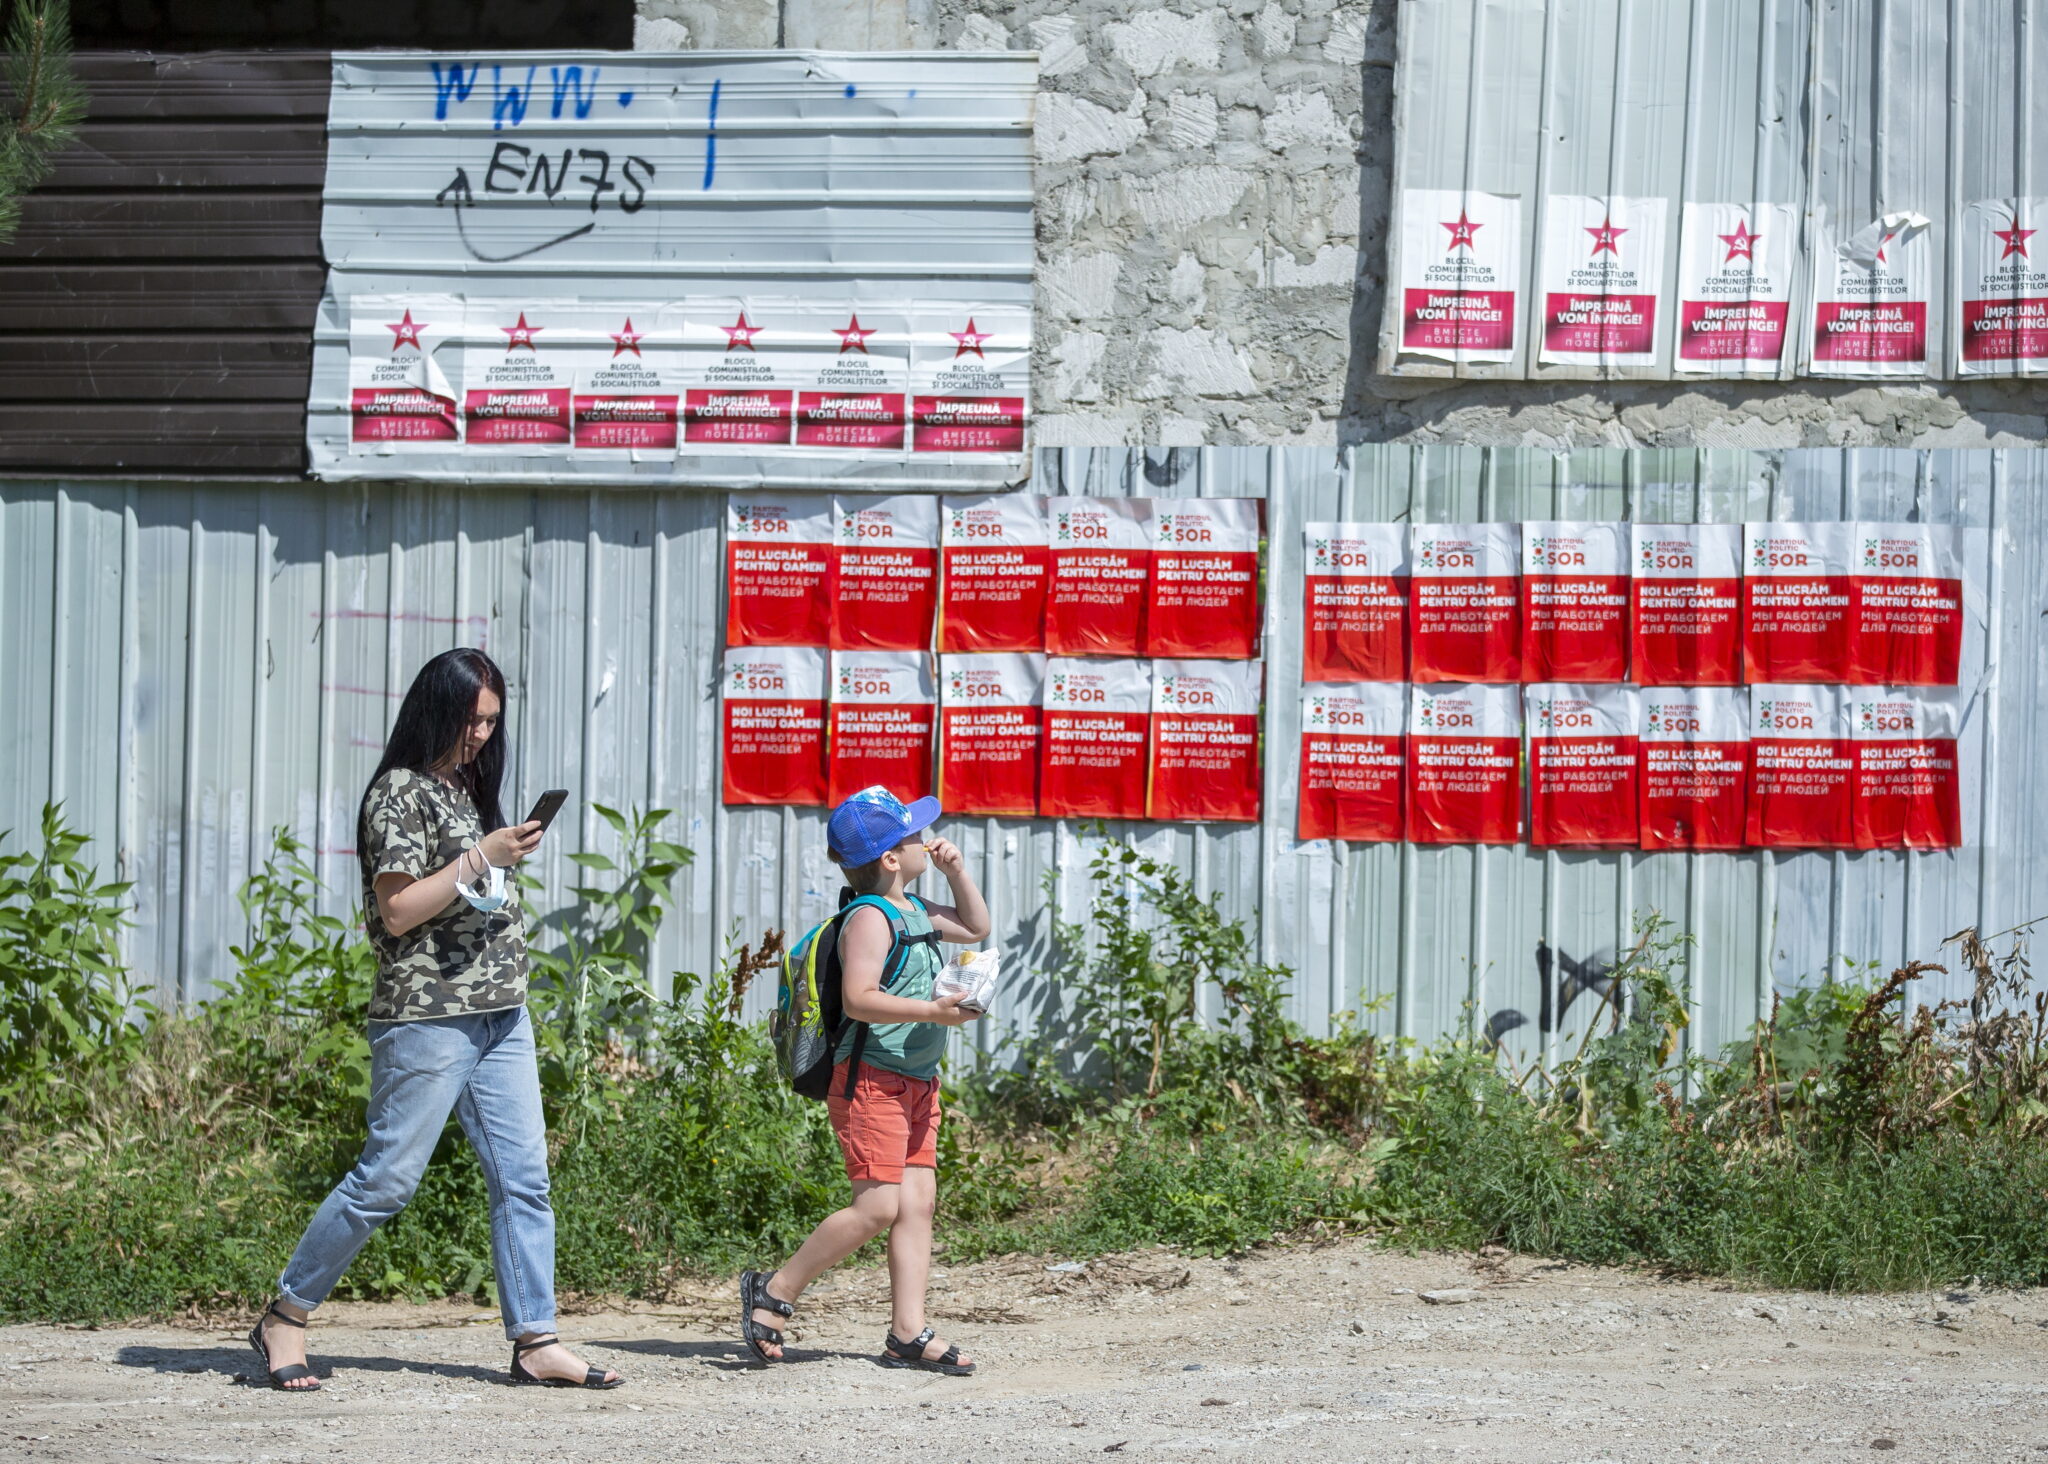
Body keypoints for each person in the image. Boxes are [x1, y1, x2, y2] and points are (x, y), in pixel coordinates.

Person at [247, 647, 620, 1393]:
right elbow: (397, 910)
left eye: (491, 720)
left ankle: (536, 1339)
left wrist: (492, 855)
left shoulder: (463, 788)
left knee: (524, 1180)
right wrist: (480, 858)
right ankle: (285, 1316)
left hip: (500, 1013)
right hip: (428, 1016)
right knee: (385, 1180)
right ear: (436, 710)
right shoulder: (399, 793)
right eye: (470, 718)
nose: (481, 734)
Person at [739, 786, 991, 1374]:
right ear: (890, 859)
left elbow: (976, 927)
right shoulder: (870, 919)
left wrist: (957, 874)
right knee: (878, 1207)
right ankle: (774, 1289)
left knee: (917, 1204)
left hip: (917, 1081)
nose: (925, 839)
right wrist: (935, 1012)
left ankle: (908, 1331)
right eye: (912, 835)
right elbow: (859, 1000)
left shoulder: (917, 908)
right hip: (871, 1082)